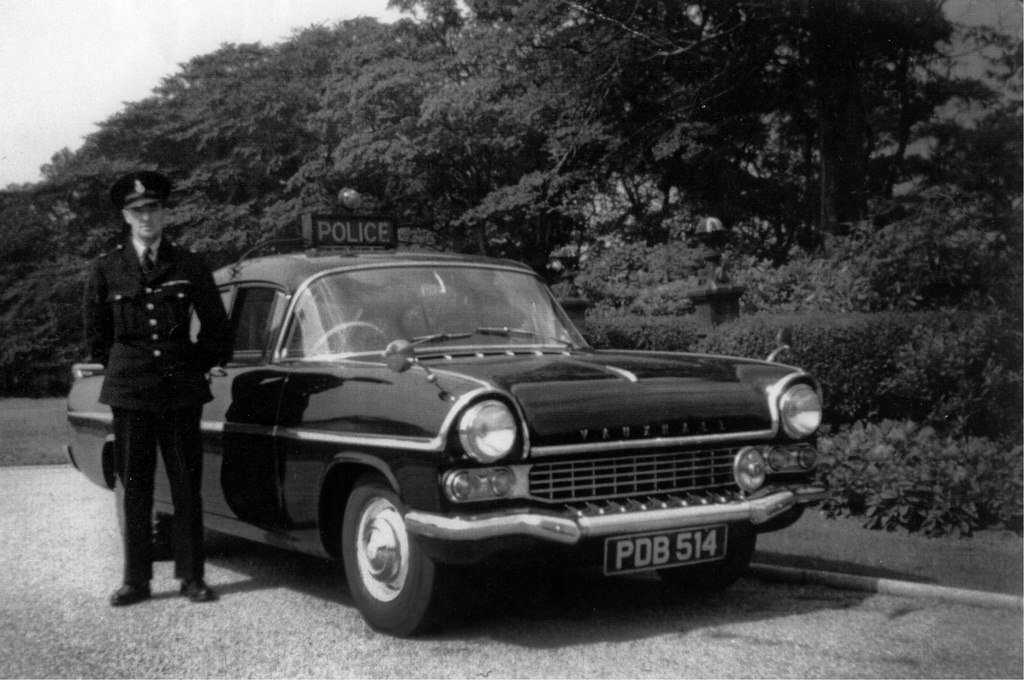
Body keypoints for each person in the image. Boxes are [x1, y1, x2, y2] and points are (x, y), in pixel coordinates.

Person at [83, 170, 232, 606]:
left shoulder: (189, 265)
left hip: (180, 388)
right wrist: (125, 370)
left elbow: (218, 331)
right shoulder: (106, 269)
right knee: (135, 485)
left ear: (165, 213)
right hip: (131, 393)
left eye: (154, 209)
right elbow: (96, 335)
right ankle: (136, 580)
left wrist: (193, 365)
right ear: (125, 217)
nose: (147, 218)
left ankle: (192, 577)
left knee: (187, 484)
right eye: (138, 211)